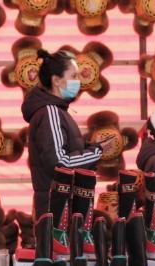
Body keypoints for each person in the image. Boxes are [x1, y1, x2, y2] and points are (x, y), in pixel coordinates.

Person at [21, 49, 106, 220]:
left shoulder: (57, 111)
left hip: (62, 204)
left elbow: (62, 151)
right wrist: (96, 151)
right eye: (73, 76)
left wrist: (87, 146)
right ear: (57, 81)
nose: (78, 81)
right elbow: (59, 163)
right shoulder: (50, 113)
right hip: (57, 207)